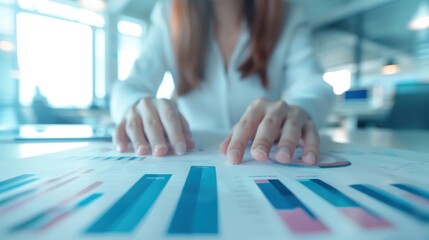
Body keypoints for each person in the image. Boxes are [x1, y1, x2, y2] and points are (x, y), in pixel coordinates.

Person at [110, 0, 334, 165]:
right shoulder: (169, 13)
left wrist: (299, 110)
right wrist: (137, 104)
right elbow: (128, 88)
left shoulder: (288, 13)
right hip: (189, 155)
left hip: (262, 158)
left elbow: (314, 86)